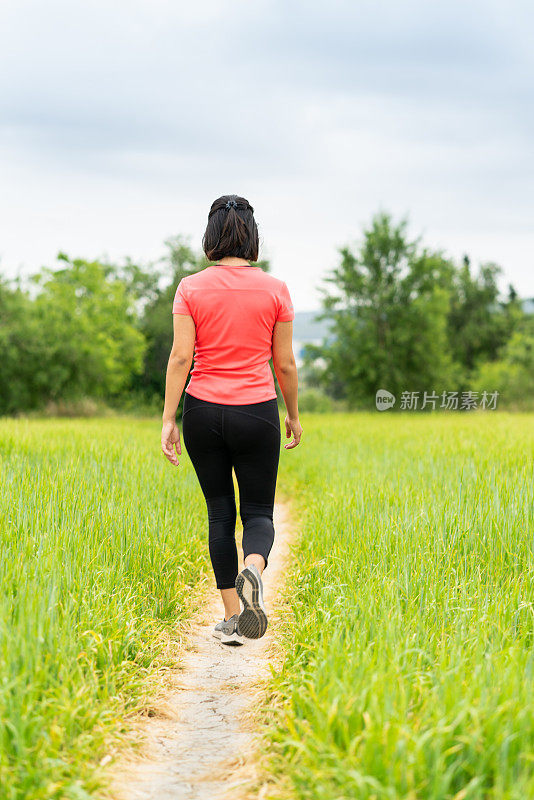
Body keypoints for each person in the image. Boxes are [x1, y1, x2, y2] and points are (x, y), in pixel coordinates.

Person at [161, 194, 303, 646]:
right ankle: (254, 567)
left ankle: (231, 620)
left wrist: (169, 419)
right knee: (258, 510)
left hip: (202, 410)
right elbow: (285, 365)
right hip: (257, 411)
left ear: (211, 237)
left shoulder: (190, 287)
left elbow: (182, 355)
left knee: (220, 513)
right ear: (252, 236)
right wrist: (293, 415)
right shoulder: (275, 289)